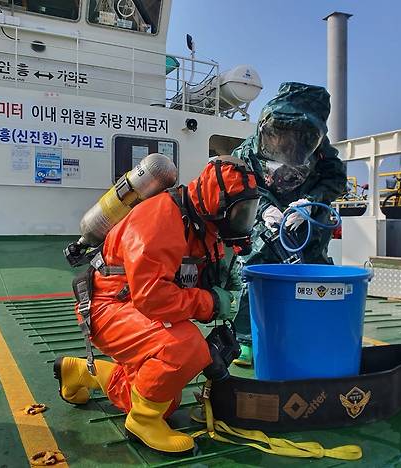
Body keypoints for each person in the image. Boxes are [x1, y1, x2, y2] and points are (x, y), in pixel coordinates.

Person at [53, 156, 259, 455]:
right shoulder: (160, 217)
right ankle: (142, 421)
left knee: (163, 399)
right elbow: (153, 297)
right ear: (218, 202)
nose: (243, 219)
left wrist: (223, 287)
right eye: (240, 211)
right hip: (106, 307)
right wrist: (212, 302)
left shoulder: (204, 224)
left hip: (131, 304)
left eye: (248, 211)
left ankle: (81, 373)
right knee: (184, 347)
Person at [229, 82, 347, 367]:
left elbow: (336, 181)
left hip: (308, 222)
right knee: (254, 270)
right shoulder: (248, 151)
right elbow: (240, 184)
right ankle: (246, 339)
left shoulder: (322, 153)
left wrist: (309, 201)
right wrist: (265, 207)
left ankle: (312, 333)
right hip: (265, 220)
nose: (286, 140)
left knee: (314, 273)